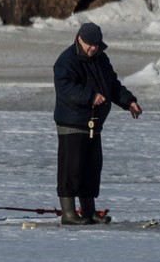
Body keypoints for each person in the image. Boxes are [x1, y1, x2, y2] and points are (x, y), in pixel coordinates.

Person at [52, 22, 142, 225]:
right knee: (71, 169)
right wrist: (90, 96)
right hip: (72, 123)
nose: (93, 48)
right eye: (90, 44)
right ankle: (68, 213)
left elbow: (112, 85)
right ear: (79, 39)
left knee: (91, 168)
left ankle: (88, 211)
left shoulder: (101, 58)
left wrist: (129, 102)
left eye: (97, 44)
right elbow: (65, 88)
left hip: (94, 124)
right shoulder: (66, 61)